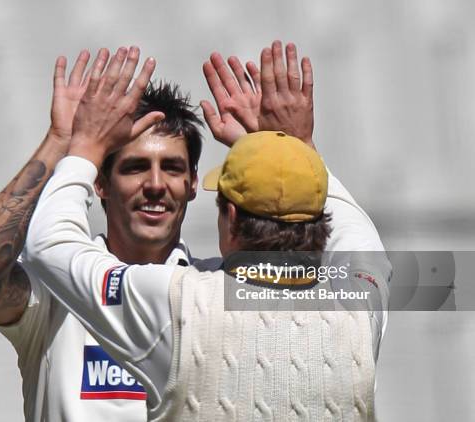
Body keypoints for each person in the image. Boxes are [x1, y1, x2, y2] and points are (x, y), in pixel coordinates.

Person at [23, 43, 391, 421]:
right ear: (318, 220)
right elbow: (361, 238)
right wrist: (292, 152)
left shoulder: (178, 301)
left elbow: (48, 245)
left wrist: (83, 146)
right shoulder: (360, 303)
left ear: (230, 218)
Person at [0, 46, 205, 422]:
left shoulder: (212, 289)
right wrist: (62, 140)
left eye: (171, 167)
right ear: (98, 182)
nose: (155, 184)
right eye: (135, 167)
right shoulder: (56, 291)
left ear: (193, 183)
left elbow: (320, 293)